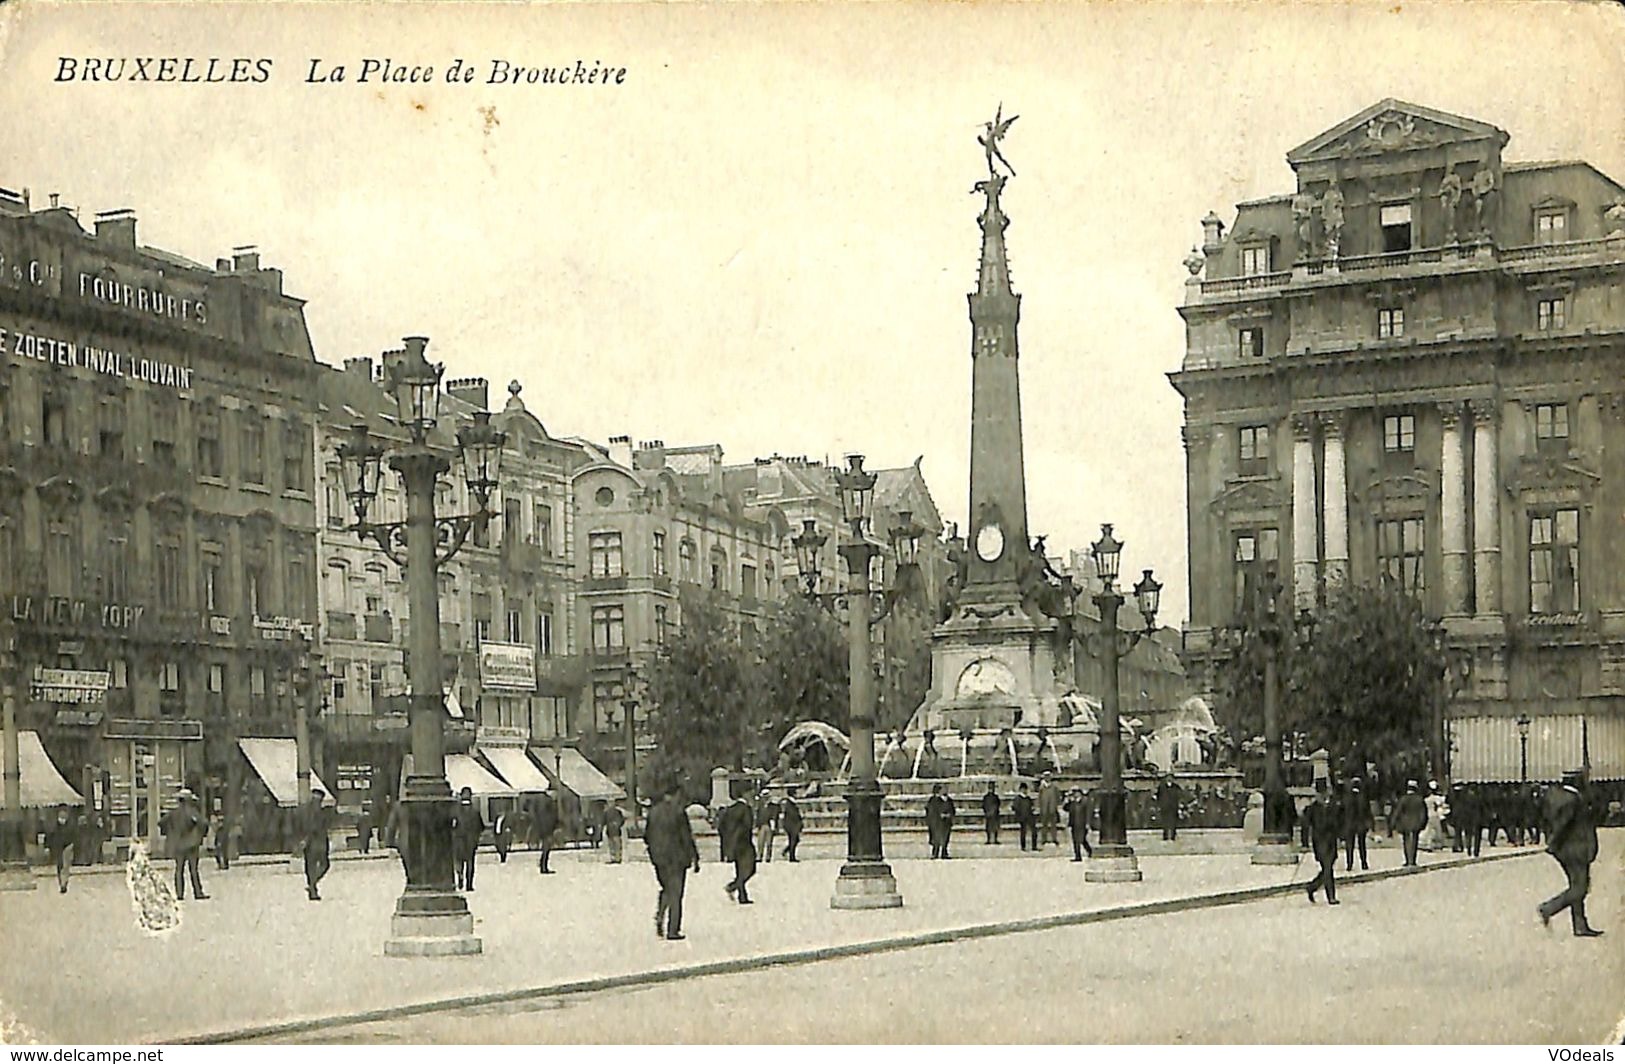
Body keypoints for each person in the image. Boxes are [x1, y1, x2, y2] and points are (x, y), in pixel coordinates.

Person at [1537, 770, 1603, 938]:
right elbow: (1563, 824)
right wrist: (1553, 842)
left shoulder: (1557, 796)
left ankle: (1580, 925)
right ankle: (1548, 908)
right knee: (1580, 887)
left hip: (1566, 851)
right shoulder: (1574, 800)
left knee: (1576, 885)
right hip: (1576, 850)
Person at [645, 786, 701, 940]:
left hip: (659, 859)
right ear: (676, 794)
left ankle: (661, 913)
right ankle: (673, 929)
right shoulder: (678, 812)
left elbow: (647, 836)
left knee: (667, 888)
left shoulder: (653, 812)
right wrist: (695, 857)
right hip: (677, 859)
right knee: (676, 894)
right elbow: (686, 837)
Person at [160, 788, 209, 901]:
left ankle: (179, 894)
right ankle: (198, 892)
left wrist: (171, 832)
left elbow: (161, 823)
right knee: (193, 870)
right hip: (191, 845)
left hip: (178, 845)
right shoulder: (192, 812)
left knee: (179, 870)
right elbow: (203, 823)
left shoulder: (173, 813)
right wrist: (200, 835)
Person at [1301, 779, 1342, 905]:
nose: (1324, 795)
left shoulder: (1333, 806)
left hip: (1331, 841)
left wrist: (1340, 836)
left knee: (1327, 868)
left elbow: (1338, 823)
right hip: (1319, 841)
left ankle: (1312, 887)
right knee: (1328, 868)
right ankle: (1331, 897)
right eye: (1321, 793)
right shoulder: (1311, 809)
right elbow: (1305, 826)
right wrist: (1305, 844)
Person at [717, 792, 757, 904]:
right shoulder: (746, 809)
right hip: (744, 842)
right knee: (750, 869)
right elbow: (748, 826)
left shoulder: (729, 810)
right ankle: (732, 887)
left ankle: (742, 896)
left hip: (733, 844)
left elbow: (721, 826)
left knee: (740, 870)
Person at [298, 788, 333, 901]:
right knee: (323, 865)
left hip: (311, 843)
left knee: (310, 867)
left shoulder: (304, 810)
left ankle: (312, 887)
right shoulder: (317, 812)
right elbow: (315, 827)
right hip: (317, 842)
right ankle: (313, 887)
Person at [452, 788, 484, 892]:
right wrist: (476, 837)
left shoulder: (456, 811)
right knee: (470, 863)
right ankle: (469, 884)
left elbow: (452, 826)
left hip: (459, 840)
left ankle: (460, 875)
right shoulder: (475, 811)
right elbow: (481, 826)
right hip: (471, 842)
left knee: (459, 861)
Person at [1391, 780, 1428, 867]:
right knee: (1414, 841)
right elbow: (1423, 813)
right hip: (1416, 823)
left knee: (1406, 841)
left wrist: (1393, 824)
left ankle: (1408, 860)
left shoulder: (1403, 799)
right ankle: (1413, 860)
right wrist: (1422, 823)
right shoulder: (1419, 799)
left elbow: (1397, 812)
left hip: (1405, 823)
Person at [44, 807, 79, 894]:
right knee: (60, 866)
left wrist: (73, 846)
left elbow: (75, 837)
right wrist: (47, 847)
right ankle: (62, 883)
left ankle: (64, 884)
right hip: (58, 848)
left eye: (64, 818)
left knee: (65, 866)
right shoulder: (54, 827)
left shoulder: (70, 827)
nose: (62, 820)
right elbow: (49, 837)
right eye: (61, 817)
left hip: (67, 847)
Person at [1342, 779, 1372, 871]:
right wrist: (1370, 824)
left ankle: (1349, 864)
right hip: (1360, 824)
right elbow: (1368, 812)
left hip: (1350, 824)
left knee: (1349, 845)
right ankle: (1364, 862)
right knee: (1362, 844)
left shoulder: (1346, 798)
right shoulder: (1363, 798)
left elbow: (1342, 812)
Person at [529, 790, 560, 874]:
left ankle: (543, 865)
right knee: (546, 848)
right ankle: (543, 866)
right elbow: (547, 817)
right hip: (547, 829)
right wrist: (550, 827)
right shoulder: (548, 803)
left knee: (546, 848)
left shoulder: (546, 802)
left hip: (546, 828)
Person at [1064, 788, 1094, 862]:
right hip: (1074, 824)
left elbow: (1088, 813)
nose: (1075, 794)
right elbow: (1066, 809)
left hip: (1082, 824)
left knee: (1082, 839)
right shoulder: (1072, 802)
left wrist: (1088, 823)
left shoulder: (1085, 801)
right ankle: (1078, 856)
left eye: (1076, 793)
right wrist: (1066, 801)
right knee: (1075, 840)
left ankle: (1089, 850)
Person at [925, 783, 953, 859]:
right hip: (936, 822)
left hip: (946, 823)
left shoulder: (949, 800)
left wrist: (949, 815)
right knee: (936, 838)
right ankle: (935, 852)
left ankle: (944, 852)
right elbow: (931, 811)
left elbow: (952, 810)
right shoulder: (933, 800)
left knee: (945, 838)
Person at [384, 796, 410, 877]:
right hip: (423, 843)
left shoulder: (399, 806)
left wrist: (389, 842)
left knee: (409, 871)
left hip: (404, 844)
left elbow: (391, 826)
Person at [754, 792, 779, 865]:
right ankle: (759, 856)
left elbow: (774, 816)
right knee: (760, 842)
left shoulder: (773, 806)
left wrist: (773, 825)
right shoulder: (760, 806)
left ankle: (768, 856)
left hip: (769, 825)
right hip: (762, 825)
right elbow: (758, 816)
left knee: (769, 843)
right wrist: (756, 825)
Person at [1037, 774, 1061, 847]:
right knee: (1044, 824)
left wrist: (1057, 805)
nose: (1047, 778)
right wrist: (1039, 807)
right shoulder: (1041, 788)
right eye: (1046, 777)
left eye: (1048, 777)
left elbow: (1057, 797)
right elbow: (1039, 798)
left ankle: (1054, 838)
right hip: (1044, 808)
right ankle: (1044, 839)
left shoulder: (1054, 787)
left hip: (1052, 808)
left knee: (1053, 824)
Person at [1156, 775, 1182, 842]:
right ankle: (1165, 836)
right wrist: (1160, 804)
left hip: (1173, 806)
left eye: (1171, 778)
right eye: (1168, 778)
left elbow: (1179, 796)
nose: (1169, 779)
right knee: (1165, 821)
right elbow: (1158, 796)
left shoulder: (1176, 787)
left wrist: (1179, 805)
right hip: (1164, 806)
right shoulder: (1162, 787)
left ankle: (1173, 836)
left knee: (1173, 822)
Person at [779, 794, 803, 862]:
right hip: (792, 825)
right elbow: (793, 815)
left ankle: (787, 852)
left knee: (795, 840)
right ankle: (791, 856)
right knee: (793, 840)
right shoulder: (789, 804)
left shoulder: (790, 803)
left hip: (791, 825)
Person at [1014, 783, 1036, 851]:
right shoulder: (1018, 798)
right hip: (1022, 817)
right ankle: (1023, 846)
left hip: (1029, 816)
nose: (1024, 790)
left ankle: (1034, 846)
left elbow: (1031, 806)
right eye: (1023, 789)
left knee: (1034, 831)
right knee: (1023, 832)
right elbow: (1015, 807)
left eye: (1025, 789)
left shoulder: (1028, 798)